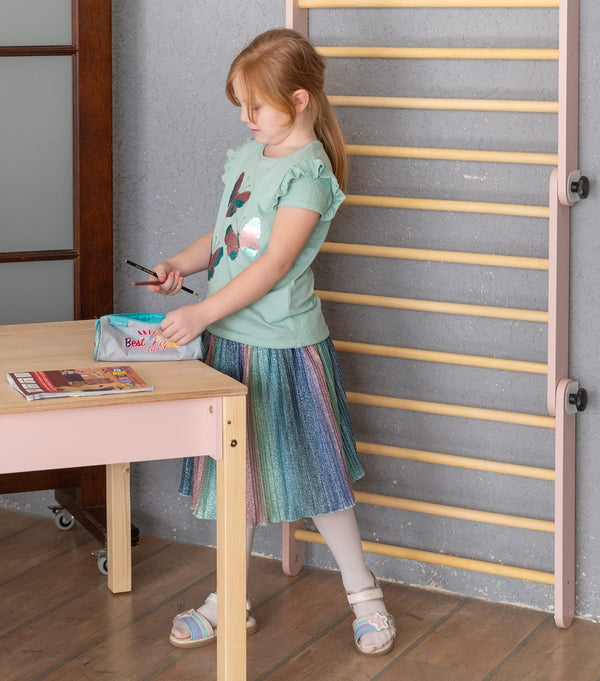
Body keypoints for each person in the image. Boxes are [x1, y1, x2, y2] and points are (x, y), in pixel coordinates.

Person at [144, 29, 396, 655]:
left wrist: (200, 314)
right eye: (239, 104)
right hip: (230, 344)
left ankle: (364, 597)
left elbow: (274, 265)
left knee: (320, 483)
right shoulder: (245, 157)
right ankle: (229, 597)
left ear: (300, 100)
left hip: (284, 351)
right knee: (236, 480)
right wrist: (183, 262)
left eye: (255, 106)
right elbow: (232, 235)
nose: (243, 117)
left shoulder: (310, 174)